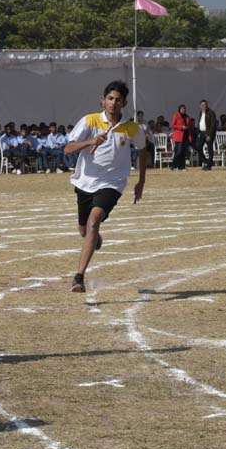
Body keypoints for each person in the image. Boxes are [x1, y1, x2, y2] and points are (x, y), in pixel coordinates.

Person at [64, 80, 146, 293]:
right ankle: (94, 237)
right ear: (102, 101)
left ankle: (78, 278)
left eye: (118, 100)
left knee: (93, 222)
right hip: (85, 182)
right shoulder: (89, 121)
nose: (113, 103)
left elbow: (143, 149)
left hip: (112, 184)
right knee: (84, 229)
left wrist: (141, 181)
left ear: (124, 103)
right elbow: (68, 149)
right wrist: (90, 141)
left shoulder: (131, 127)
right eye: (110, 99)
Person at [194, 99, 218, 170]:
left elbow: (213, 125)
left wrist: (210, 135)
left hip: (208, 133)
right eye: (202, 105)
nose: (203, 106)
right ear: (200, 106)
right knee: (198, 147)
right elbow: (200, 122)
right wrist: (198, 132)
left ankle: (209, 166)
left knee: (210, 149)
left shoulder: (211, 112)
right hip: (201, 133)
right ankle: (206, 161)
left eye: (205, 105)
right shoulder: (200, 112)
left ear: (207, 105)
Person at [169, 104, 190, 170]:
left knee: (183, 151)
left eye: (184, 109)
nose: (183, 110)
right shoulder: (176, 115)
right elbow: (173, 125)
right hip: (179, 136)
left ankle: (182, 166)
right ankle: (173, 165)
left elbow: (188, 124)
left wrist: (187, 127)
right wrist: (181, 127)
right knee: (178, 151)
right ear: (179, 109)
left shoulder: (187, 116)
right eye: (182, 109)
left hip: (186, 135)